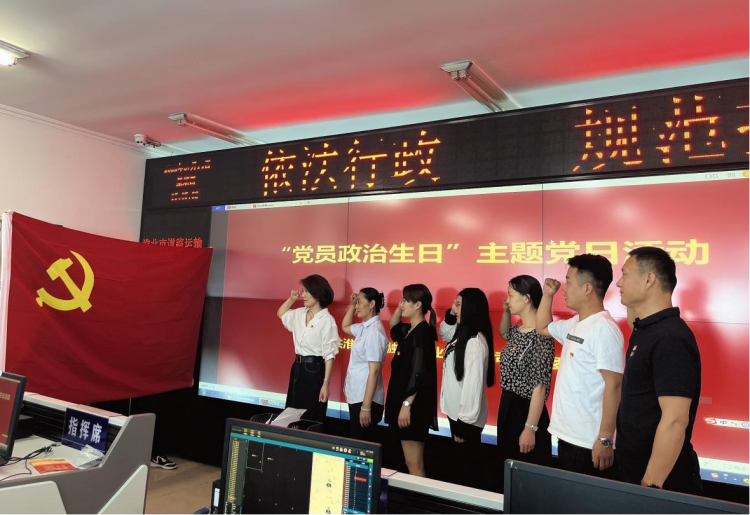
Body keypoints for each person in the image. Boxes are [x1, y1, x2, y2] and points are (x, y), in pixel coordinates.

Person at [615, 247, 702, 494]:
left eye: (625, 274)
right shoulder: (646, 329)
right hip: (634, 471)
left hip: (660, 483)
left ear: (649, 279)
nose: (619, 282)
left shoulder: (670, 338)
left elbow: (675, 420)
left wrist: (651, 485)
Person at [536, 254, 624, 478]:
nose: (564, 288)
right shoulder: (577, 323)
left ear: (587, 289)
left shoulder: (603, 328)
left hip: (588, 443)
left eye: (569, 281)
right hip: (568, 436)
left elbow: (614, 386)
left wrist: (605, 438)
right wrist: (547, 295)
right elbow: (543, 328)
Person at [496, 275, 555, 492]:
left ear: (527, 298)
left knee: (527, 480)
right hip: (508, 405)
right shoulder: (518, 331)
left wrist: (530, 428)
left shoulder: (541, 335)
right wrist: (506, 311)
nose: (508, 299)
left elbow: (539, 386)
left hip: (527, 410)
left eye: (511, 295)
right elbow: (504, 333)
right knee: (508, 471)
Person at [438, 288, 495, 489]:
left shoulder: (474, 342)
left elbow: (473, 387)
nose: (454, 308)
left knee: (466, 472)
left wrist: (464, 424)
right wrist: (451, 314)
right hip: (457, 414)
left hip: (465, 420)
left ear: (471, 308)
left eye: (458, 304)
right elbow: (444, 333)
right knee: (460, 467)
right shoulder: (462, 332)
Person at [386, 284, 439, 477]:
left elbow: (418, 373)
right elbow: (393, 326)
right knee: (410, 462)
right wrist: (400, 306)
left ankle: (420, 495)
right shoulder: (409, 329)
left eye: (405, 301)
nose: (401, 304)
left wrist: (407, 404)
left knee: (414, 463)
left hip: (412, 407)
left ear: (418, 305)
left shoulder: (422, 333)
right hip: (404, 403)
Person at [277, 274, 339, 422]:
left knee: (310, 414)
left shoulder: (327, 321)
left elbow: (329, 355)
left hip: (314, 369)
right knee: (291, 411)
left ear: (318, 294)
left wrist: (326, 384)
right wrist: (291, 299)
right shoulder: (299, 313)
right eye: (303, 291)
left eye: (306, 291)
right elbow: (281, 313)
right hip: (297, 366)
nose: (303, 295)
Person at [341, 287, 388, 442]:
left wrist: (366, 407)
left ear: (372, 304)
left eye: (359, 302)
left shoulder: (374, 332)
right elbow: (345, 327)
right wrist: (352, 304)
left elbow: (374, 371)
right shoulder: (364, 327)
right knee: (358, 441)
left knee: (363, 445)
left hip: (366, 400)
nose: (357, 306)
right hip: (358, 396)